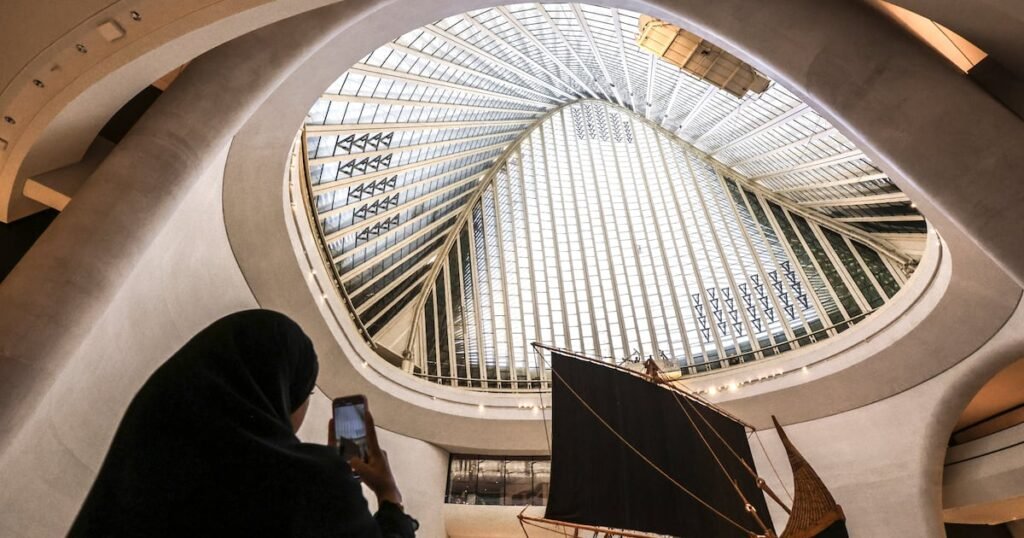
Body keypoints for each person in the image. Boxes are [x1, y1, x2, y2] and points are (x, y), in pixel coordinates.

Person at [68, 309, 417, 537]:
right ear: (283, 388)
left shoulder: (147, 446)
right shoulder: (309, 486)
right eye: (307, 390)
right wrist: (387, 495)